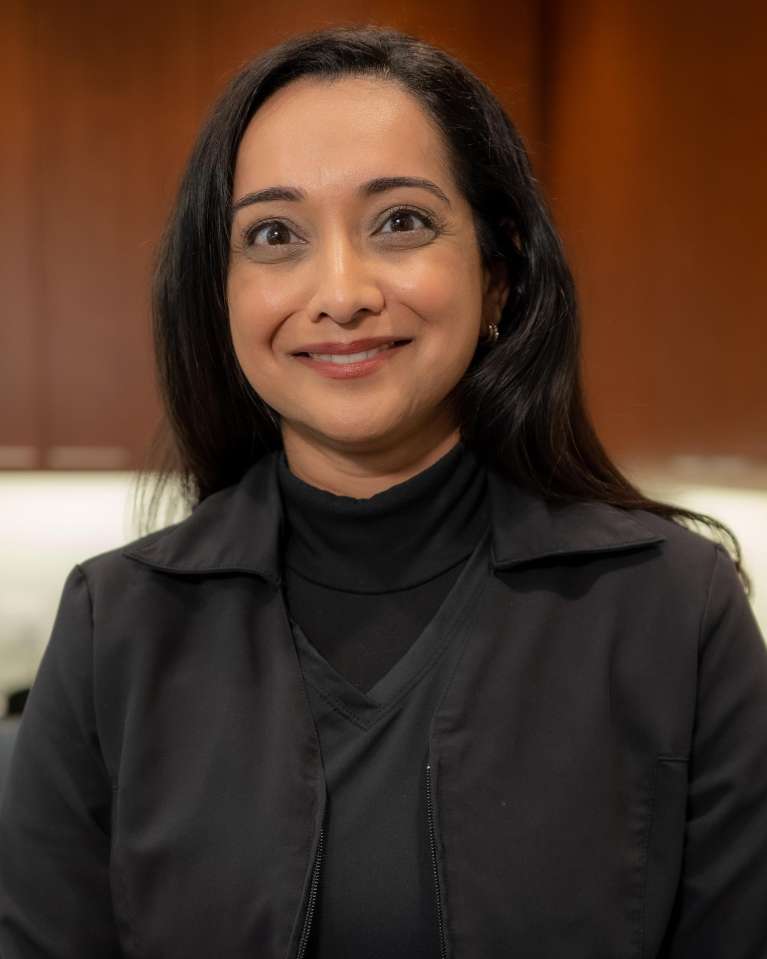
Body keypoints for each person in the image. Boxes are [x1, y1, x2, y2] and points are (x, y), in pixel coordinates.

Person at [1, 24, 766, 959]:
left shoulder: (673, 609)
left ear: (498, 276)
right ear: (221, 295)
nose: (341, 290)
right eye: (273, 234)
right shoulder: (111, 628)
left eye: (400, 221)